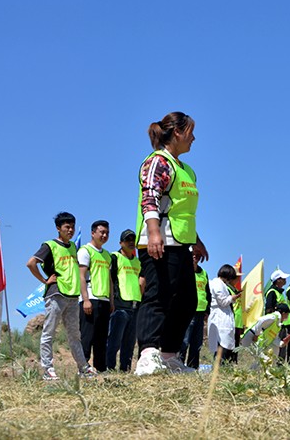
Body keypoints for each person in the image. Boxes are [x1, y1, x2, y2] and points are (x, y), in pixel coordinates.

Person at [135, 111, 209, 375]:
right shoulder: (158, 162)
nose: (194, 138)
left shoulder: (186, 170)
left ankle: (168, 356)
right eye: (190, 132)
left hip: (181, 242)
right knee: (158, 296)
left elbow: (183, 210)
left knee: (187, 300)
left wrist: (197, 240)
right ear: (177, 132)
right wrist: (154, 232)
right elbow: (150, 198)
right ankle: (148, 355)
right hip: (160, 240)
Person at [25, 212, 95, 380]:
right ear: (58, 228)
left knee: (74, 335)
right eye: (66, 227)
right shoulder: (49, 245)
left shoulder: (73, 247)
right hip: (56, 293)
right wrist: (44, 280)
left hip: (72, 296)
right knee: (49, 332)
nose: (70, 230)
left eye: (72, 227)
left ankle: (83, 368)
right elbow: (31, 263)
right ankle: (48, 369)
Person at [78, 220, 112, 373]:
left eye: (107, 233)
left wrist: (111, 300)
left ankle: (101, 368)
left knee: (101, 337)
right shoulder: (85, 251)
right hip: (90, 298)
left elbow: (110, 280)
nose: (104, 235)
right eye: (101, 232)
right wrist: (85, 299)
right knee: (87, 335)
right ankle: (83, 367)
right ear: (93, 233)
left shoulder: (107, 255)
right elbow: (81, 276)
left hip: (104, 300)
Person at [106, 229, 143, 372]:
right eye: (127, 240)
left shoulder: (138, 262)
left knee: (129, 342)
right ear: (121, 243)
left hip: (135, 305)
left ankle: (125, 369)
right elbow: (110, 279)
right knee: (114, 340)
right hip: (120, 305)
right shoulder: (114, 257)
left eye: (133, 240)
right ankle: (109, 367)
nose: (131, 242)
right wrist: (111, 301)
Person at [180, 256, 211, 369]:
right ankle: (179, 365)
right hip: (187, 311)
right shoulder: (182, 271)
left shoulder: (203, 273)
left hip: (200, 312)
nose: (194, 258)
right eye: (192, 255)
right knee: (184, 341)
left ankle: (193, 367)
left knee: (197, 343)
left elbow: (207, 293)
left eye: (197, 256)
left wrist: (207, 310)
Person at [208, 264, 241, 363]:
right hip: (220, 316)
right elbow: (222, 301)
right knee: (222, 343)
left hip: (222, 314)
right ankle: (220, 365)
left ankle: (222, 364)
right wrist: (233, 297)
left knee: (224, 342)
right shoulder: (218, 284)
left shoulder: (219, 283)